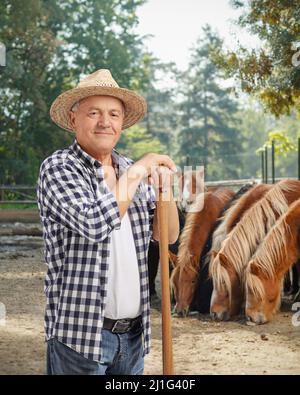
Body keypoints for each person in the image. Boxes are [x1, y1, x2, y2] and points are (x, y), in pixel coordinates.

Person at [37, 69, 179, 375]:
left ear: (122, 123)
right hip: (82, 338)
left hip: (133, 337)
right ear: (74, 120)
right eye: (94, 113)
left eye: (114, 114)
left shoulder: (129, 170)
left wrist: (167, 192)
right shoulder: (60, 168)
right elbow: (94, 224)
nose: (105, 122)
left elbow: (166, 236)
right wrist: (141, 169)